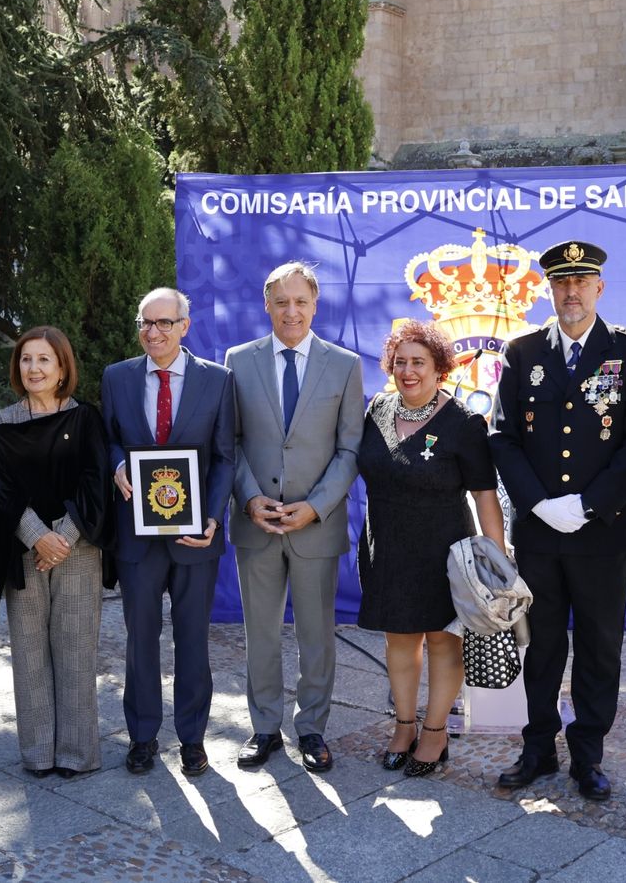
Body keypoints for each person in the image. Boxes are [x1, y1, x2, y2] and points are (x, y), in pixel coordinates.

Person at [487, 240, 626, 802]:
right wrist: (538, 504)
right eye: (561, 282)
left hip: (605, 529)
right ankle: (537, 749)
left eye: (581, 282)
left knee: (598, 644)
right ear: (549, 288)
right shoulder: (522, 352)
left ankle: (588, 755)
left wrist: (587, 504)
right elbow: (502, 436)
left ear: (599, 288)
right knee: (537, 645)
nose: (571, 292)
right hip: (540, 530)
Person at [224, 262, 363, 774]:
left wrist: (317, 505)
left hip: (316, 524)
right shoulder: (238, 361)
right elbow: (230, 442)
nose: (291, 311)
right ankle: (264, 728)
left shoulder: (344, 364)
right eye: (281, 302)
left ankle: (312, 729)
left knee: (316, 634)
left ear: (315, 304)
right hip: (256, 522)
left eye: (300, 301)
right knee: (259, 631)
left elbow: (350, 449)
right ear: (267, 305)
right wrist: (249, 497)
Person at [357, 321, 506, 776]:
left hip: (446, 550)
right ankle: (404, 726)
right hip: (387, 545)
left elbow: (484, 494)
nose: (408, 371)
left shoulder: (463, 423)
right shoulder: (377, 410)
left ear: (439, 367)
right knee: (399, 639)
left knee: (443, 642)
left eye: (418, 362)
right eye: (400, 362)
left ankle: (436, 731)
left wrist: (495, 562)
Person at [100, 287, 235, 777]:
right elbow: (111, 437)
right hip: (137, 532)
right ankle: (142, 736)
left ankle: (193, 738)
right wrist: (116, 464)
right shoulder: (116, 378)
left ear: (184, 326)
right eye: (144, 323)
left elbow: (224, 456)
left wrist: (214, 517)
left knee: (194, 639)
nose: (152, 332)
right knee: (140, 638)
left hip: (196, 534)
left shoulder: (217, 381)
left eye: (163, 323)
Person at [0, 326, 113, 780]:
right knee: (29, 653)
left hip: (77, 550)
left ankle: (78, 753)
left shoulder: (85, 419)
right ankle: (38, 753)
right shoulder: (3, 421)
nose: (33, 368)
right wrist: (38, 536)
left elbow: (96, 483)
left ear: (62, 369)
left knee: (76, 650)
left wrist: (63, 538)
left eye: (44, 360)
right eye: (26, 360)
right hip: (23, 551)